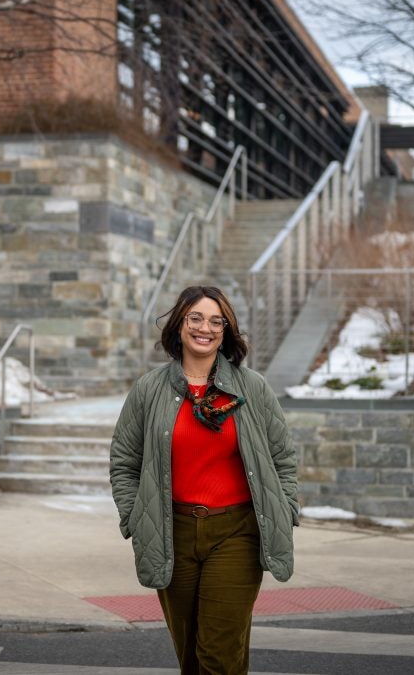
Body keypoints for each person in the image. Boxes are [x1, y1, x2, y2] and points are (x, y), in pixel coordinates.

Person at [110, 284, 300, 674]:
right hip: (169, 531)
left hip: (237, 532)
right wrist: (135, 517)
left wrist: (288, 508)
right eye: (196, 317)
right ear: (179, 324)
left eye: (217, 321)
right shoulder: (149, 390)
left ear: (226, 331)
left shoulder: (253, 388)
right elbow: (124, 461)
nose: (206, 328)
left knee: (218, 652)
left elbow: (283, 457)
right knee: (191, 656)